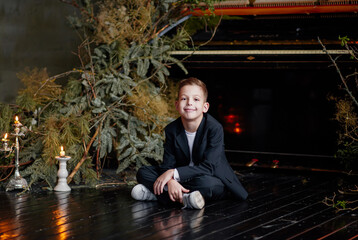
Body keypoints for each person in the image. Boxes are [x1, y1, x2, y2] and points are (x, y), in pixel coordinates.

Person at [131, 77, 248, 209]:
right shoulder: (171, 130)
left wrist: (173, 174)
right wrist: (170, 181)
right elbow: (167, 165)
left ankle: (158, 194)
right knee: (143, 172)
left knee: (208, 185)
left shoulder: (214, 128)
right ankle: (185, 198)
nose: (189, 103)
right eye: (184, 98)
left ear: (205, 107)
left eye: (196, 99)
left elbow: (209, 167)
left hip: (209, 176)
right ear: (176, 105)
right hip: (182, 178)